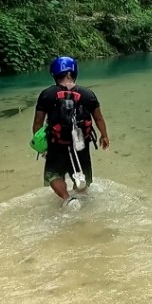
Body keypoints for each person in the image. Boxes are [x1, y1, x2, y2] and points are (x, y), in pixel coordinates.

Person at [33, 56, 110, 204]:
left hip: (56, 143)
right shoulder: (88, 94)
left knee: (54, 175)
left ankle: (67, 199)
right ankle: (82, 201)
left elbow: (37, 123)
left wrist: (42, 147)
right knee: (82, 175)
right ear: (74, 73)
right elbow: (99, 119)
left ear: (54, 74)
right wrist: (104, 136)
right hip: (81, 143)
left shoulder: (46, 95)